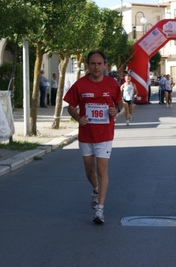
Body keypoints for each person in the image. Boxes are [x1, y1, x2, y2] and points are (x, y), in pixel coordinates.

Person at [63, 50, 123, 224]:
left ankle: (100, 209)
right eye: (93, 64)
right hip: (86, 135)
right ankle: (96, 189)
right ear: (88, 65)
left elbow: (120, 104)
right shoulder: (80, 85)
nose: (96, 67)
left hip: (105, 134)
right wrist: (78, 118)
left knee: (101, 170)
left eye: (99, 64)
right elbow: (70, 107)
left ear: (105, 65)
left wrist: (116, 111)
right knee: (89, 171)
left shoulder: (112, 84)